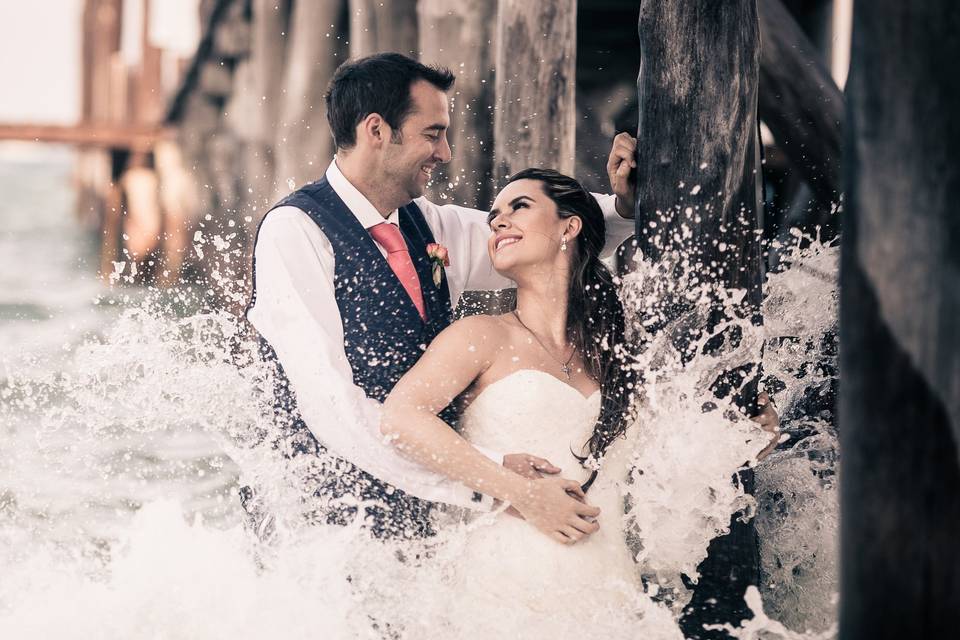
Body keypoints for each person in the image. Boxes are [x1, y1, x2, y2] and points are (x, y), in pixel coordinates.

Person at [244, 52, 637, 539]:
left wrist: (624, 204)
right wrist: (493, 484)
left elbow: (550, 239)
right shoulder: (295, 230)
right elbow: (330, 405)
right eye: (433, 133)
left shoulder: (428, 224)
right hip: (326, 529)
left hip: (433, 525)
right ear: (376, 131)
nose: (446, 153)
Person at [380, 168, 780, 637]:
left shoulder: (622, 356)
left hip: (613, 603)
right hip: (501, 601)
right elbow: (400, 419)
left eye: (519, 207)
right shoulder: (479, 336)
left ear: (569, 227)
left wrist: (750, 436)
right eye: (494, 216)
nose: (498, 222)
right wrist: (522, 493)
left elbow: (676, 468)